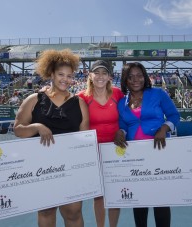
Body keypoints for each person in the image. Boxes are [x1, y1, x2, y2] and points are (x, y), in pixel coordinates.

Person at [13, 49, 89, 227]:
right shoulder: (34, 99)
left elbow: (85, 138)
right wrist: (37, 127)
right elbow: (18, 129)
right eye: (61, 74)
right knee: (46, 211)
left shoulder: (80, 103)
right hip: (42, 166)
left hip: (71, 166)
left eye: (69, 76)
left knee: (73, 212)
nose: (65, 79)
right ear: (51, 74)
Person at [114, 62, 180, 227]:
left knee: (161, 199)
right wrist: (121, 132)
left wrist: (164, 128)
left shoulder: (158, 93)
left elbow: (174, 116)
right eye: (131, 77)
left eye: (139, 75)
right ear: (125, 80)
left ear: (145, 77)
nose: (136, 79)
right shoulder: (122, 103)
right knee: (139, 199)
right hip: (135, 157)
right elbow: (123, 125)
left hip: (159, 152)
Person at [77, 60, 124, 227]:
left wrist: (123, 131)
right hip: (92, 152)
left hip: (116, 150)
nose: (100, 76)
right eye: (96, 72)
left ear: (110, 76)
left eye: (104, 73)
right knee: (99, 195)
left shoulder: (118, 94)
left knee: (114, 193)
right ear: (90, 75)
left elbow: (129, 116)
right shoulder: (81, 97)